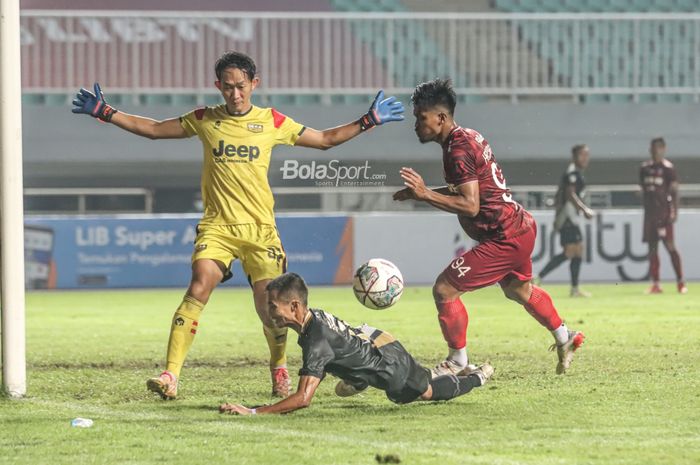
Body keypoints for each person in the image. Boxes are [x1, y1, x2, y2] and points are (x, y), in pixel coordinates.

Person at [71, 51, 405, 399]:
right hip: (218, 227)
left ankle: (278, 367)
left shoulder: (272, 121)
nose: (235, 94)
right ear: (218, 86)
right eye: (228, 87)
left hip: (261, 231)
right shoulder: (204, 119)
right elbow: (154, 130)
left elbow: (324, 140)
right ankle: (170, 376)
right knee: (198, 286)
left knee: (271, 308)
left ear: (254, 84)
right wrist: (106, 113)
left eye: (241, 87)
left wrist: (368, 120)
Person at [393, 78, 584, 377]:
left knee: (445, 290)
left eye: (421, 117)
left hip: (504, 236)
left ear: (441, 117)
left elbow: (471, 205)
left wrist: (426, 195)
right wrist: (428, 193)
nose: (416, 125)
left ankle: (457, 360)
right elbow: (471, 187)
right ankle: (565, 337)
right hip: (518, 227)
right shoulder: (467, 137)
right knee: (520, 290)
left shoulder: (457, 149)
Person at [219, 273, 494, 415]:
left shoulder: (316, 340)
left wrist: (253, 411)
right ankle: (359, 378)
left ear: (294, 306)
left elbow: (303, 399)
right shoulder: (314, 319)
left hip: (390, 367)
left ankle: (476, 377)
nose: (269, 312)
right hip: (377, 341)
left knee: (425, 391)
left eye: (273, 306)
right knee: (350, 384)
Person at [536, 144, 595, 297]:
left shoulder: (576, 173)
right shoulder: (572, 173)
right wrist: (584, 209)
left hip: (571, 218)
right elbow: (570, 194)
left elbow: (561, 194)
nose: (585, 158)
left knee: (577, 251)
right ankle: (538, 278)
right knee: (571, 252)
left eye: (586, 155)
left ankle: (574, 289)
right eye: (582, 155)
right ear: (574, 156)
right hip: (568, 218)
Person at [640, 137, 687, 294]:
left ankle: (680, 282)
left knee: (670, 246)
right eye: (652, 148)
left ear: (663, 149)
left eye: (658, 148)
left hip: (664, 215)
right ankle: (656, 284)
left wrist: (674, 211)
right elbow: (645, 190)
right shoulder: (644, 168)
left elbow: (674, 191)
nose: (655, 151)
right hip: (650, 216)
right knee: (652, 249)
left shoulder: (668, 169)